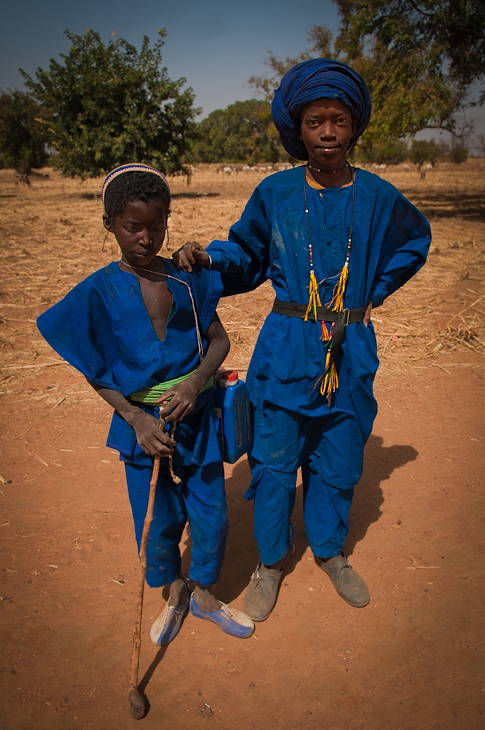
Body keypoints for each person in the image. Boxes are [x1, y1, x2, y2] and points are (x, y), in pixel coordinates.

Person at [174, 59, 432, 622]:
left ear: (354, 126)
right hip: (287, 346)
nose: (328, 133)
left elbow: (415, 243)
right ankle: (270, 563)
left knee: (339, 459)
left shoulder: (382, 197)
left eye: (338, 120)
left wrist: (370, 294)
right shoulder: (277, 192)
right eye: (316, 121)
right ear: (300, 128)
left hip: (351, 347)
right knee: (272, 461)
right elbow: (247, 255)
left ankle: (331, 552)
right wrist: (211, 256)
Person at [37, 163, 254, 643]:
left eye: (157, 225)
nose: (146, 237)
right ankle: (174, 591)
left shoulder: (185, 278)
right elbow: (95, 370)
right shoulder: (98, 291)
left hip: (196, 417)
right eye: (133, 226)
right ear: (110, 224)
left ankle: (203, 593)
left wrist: (196, 383)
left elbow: (219, 342)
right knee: (157, 520)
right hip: (142, 428)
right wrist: (135, 417)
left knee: (211, 514)